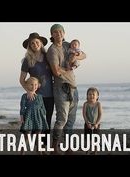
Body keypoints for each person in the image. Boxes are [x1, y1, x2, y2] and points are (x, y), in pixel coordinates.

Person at [46, 24, 86, 154]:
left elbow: (84, 55)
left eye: (60, 32)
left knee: (71, 120)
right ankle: (54, 147)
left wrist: (76, 55)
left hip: (74, 87)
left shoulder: (67, 45)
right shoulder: (52, 50)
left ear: (64, 33)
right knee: (62, 119)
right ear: (52, 35)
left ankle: (68, 147)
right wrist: (68, 69)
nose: (58, 34)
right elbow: (56, 71)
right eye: (55, 32)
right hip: (61, 88)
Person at [19, 32, 54, 149]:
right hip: (36, 97)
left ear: (41, 43)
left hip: (50, 94)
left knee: (47, 121)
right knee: (36, 121)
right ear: (29, 46)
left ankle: (45, 146)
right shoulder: (27, 60)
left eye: (37, 42)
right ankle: (37, 146)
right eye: (32, 43)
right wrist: (29, 91)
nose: (35, 44)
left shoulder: (48, 57)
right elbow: (21, 80)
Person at [19, 77, 49, 155]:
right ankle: (22, 151)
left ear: (38, 85)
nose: (33, 86)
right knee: (27, 134)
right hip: (29, 117)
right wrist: (22, 115)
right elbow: (22, 106)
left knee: (38, 134)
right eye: (31, 84)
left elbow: (42, 107)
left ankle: (39, 151)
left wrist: (44, 116)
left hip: (39, 117)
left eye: (35, 84)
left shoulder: (39, 96)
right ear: (27, 85)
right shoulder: (25, 96)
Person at [82, 87, 103, 155]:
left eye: (93, 94)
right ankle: (87, 150)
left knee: (96, 138)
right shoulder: (86, 104)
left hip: (96, 123)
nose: (91, 96)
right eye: (89, 94)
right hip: (88, 123)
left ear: (97, 96)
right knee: (87, 137)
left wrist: (97, 123)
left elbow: (100, 114)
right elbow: (84, 114)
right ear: (87, 96)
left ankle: (95, 151)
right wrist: (87, 122)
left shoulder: (98, 104)